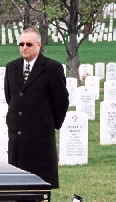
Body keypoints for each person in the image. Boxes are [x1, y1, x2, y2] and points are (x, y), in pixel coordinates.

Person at [4, 27, 69, 189]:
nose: (24, 47)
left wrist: (50, 123)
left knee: (40, 180)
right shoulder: (11, 68)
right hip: (17, 134)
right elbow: (10, 97)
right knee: (18, 179)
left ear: (38, 45)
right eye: (21, 44)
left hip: (40, 135)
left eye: (29, 44)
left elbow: (61, 101)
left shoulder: (52, 68)